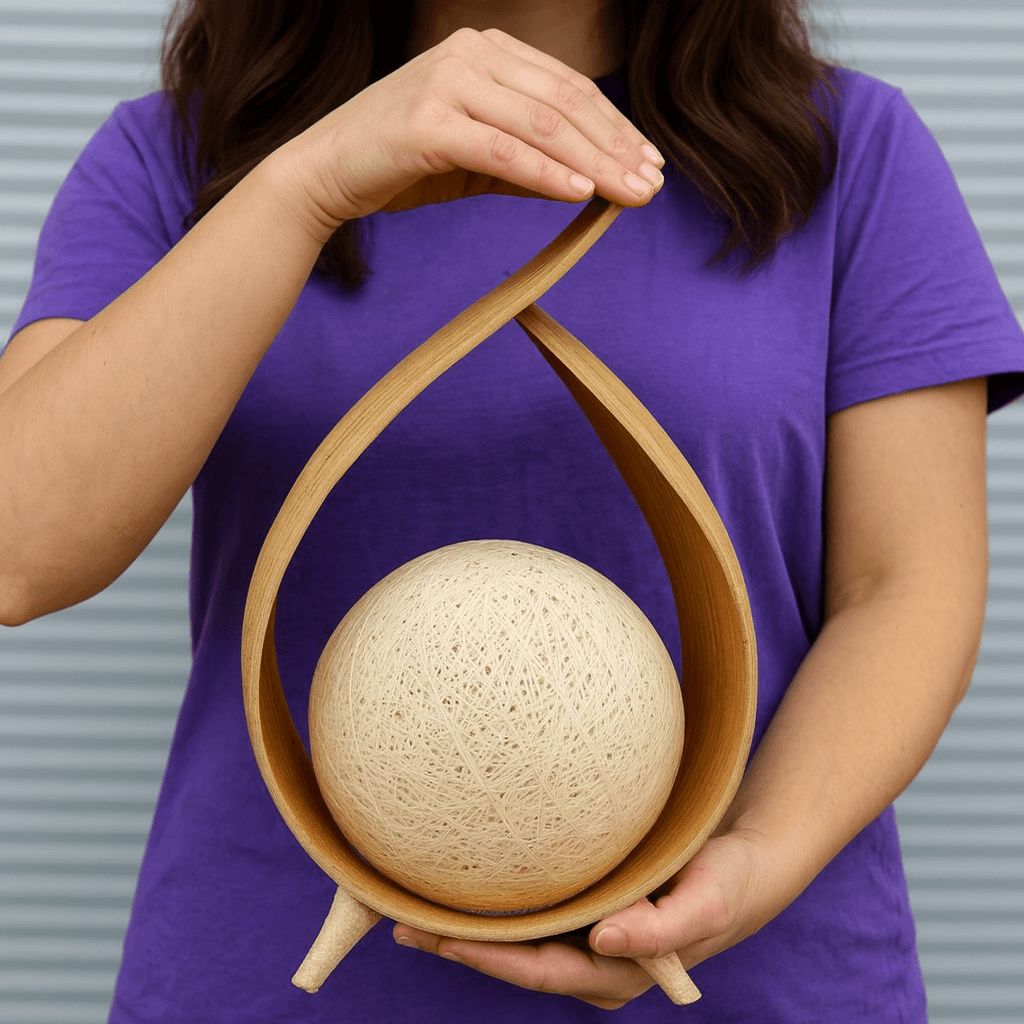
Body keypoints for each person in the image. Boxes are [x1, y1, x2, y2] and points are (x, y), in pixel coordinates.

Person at [1, 0, 1022, 1020]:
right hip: (270, 976)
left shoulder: (846, 150)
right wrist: (303, 189)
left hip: (756, 977)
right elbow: (20, 551)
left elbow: (902, 586)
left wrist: (754, 857)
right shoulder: (179, 157)